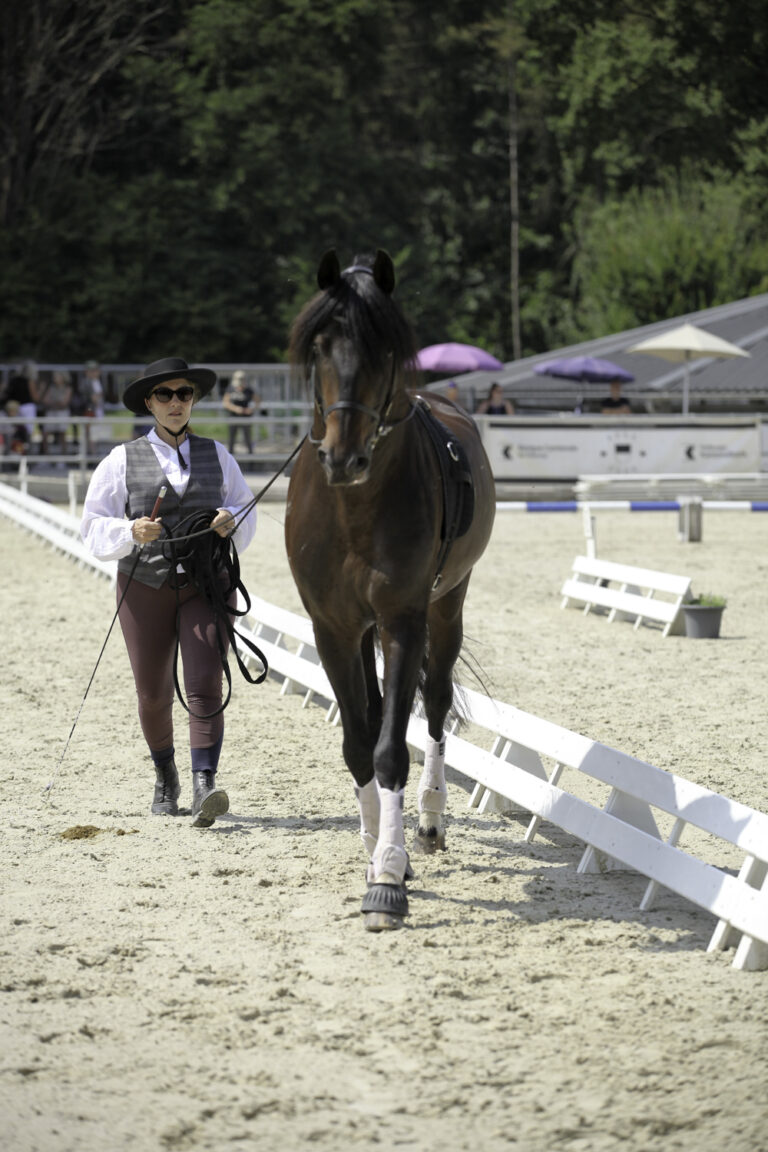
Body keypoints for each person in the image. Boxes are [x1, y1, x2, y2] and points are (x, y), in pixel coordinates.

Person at [80, 357, 257, 827]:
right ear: (149, 402)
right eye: (165, 395)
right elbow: (93, 526)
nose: (176, 403)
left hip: (206, 583)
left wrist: (230, 521)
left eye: (184, 394)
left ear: (193, 400)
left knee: (204, 682)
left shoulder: (219, 454)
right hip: (145, 585)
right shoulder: (121, 459)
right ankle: (166, 775)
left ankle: (204, 785)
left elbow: (243, 506)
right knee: (154, 693)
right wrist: (129, 530)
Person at [222, 370, 258, 454]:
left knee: (248, 438)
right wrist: (235, 408)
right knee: (231, 439)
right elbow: (225, 402)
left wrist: (250, 409)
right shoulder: (230, 388)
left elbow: (257, 401)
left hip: (245, 417)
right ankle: (230, 457)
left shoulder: (249, 390)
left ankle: (251, 458)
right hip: (233, 416)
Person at [38, 369, 72, 456]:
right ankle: (47, 455)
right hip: (51, 413)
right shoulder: (51, 388)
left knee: (62, 434)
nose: (55, 378)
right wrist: (56, 403)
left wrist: (53, 403)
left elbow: (64, 403)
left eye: (57, 376)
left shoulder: (67, 388)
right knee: (46, 433)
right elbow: (45, 400)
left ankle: (64, 455)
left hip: (62, 413)